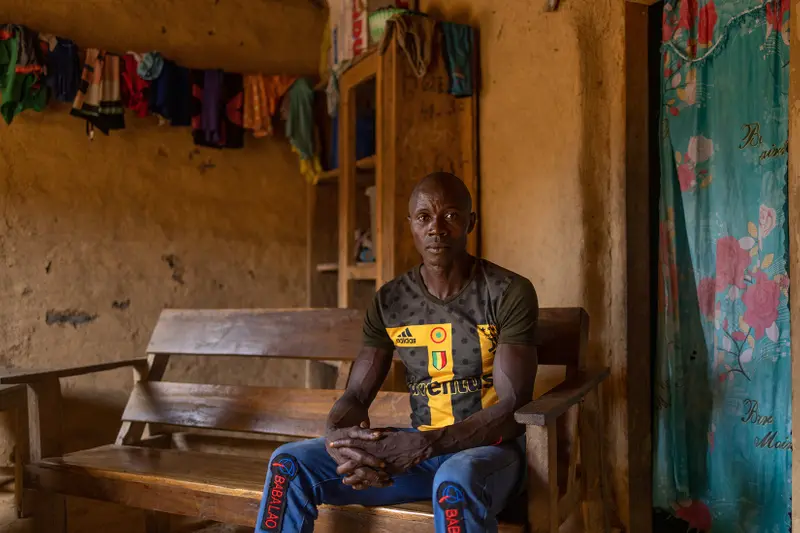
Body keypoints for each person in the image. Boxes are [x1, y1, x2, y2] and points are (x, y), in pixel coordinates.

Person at [255, 172, 539, 533]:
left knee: (454, 483)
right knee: (288, 464)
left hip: (487, 453)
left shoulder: (507, 292)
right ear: (411, 225)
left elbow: (513, 410)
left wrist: (425, 444)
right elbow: (357, 394)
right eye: (424, 218)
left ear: (471, 222)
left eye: (450, 216)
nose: (436, 228)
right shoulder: (390, 301)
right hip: (416, 452)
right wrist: (338, 437)